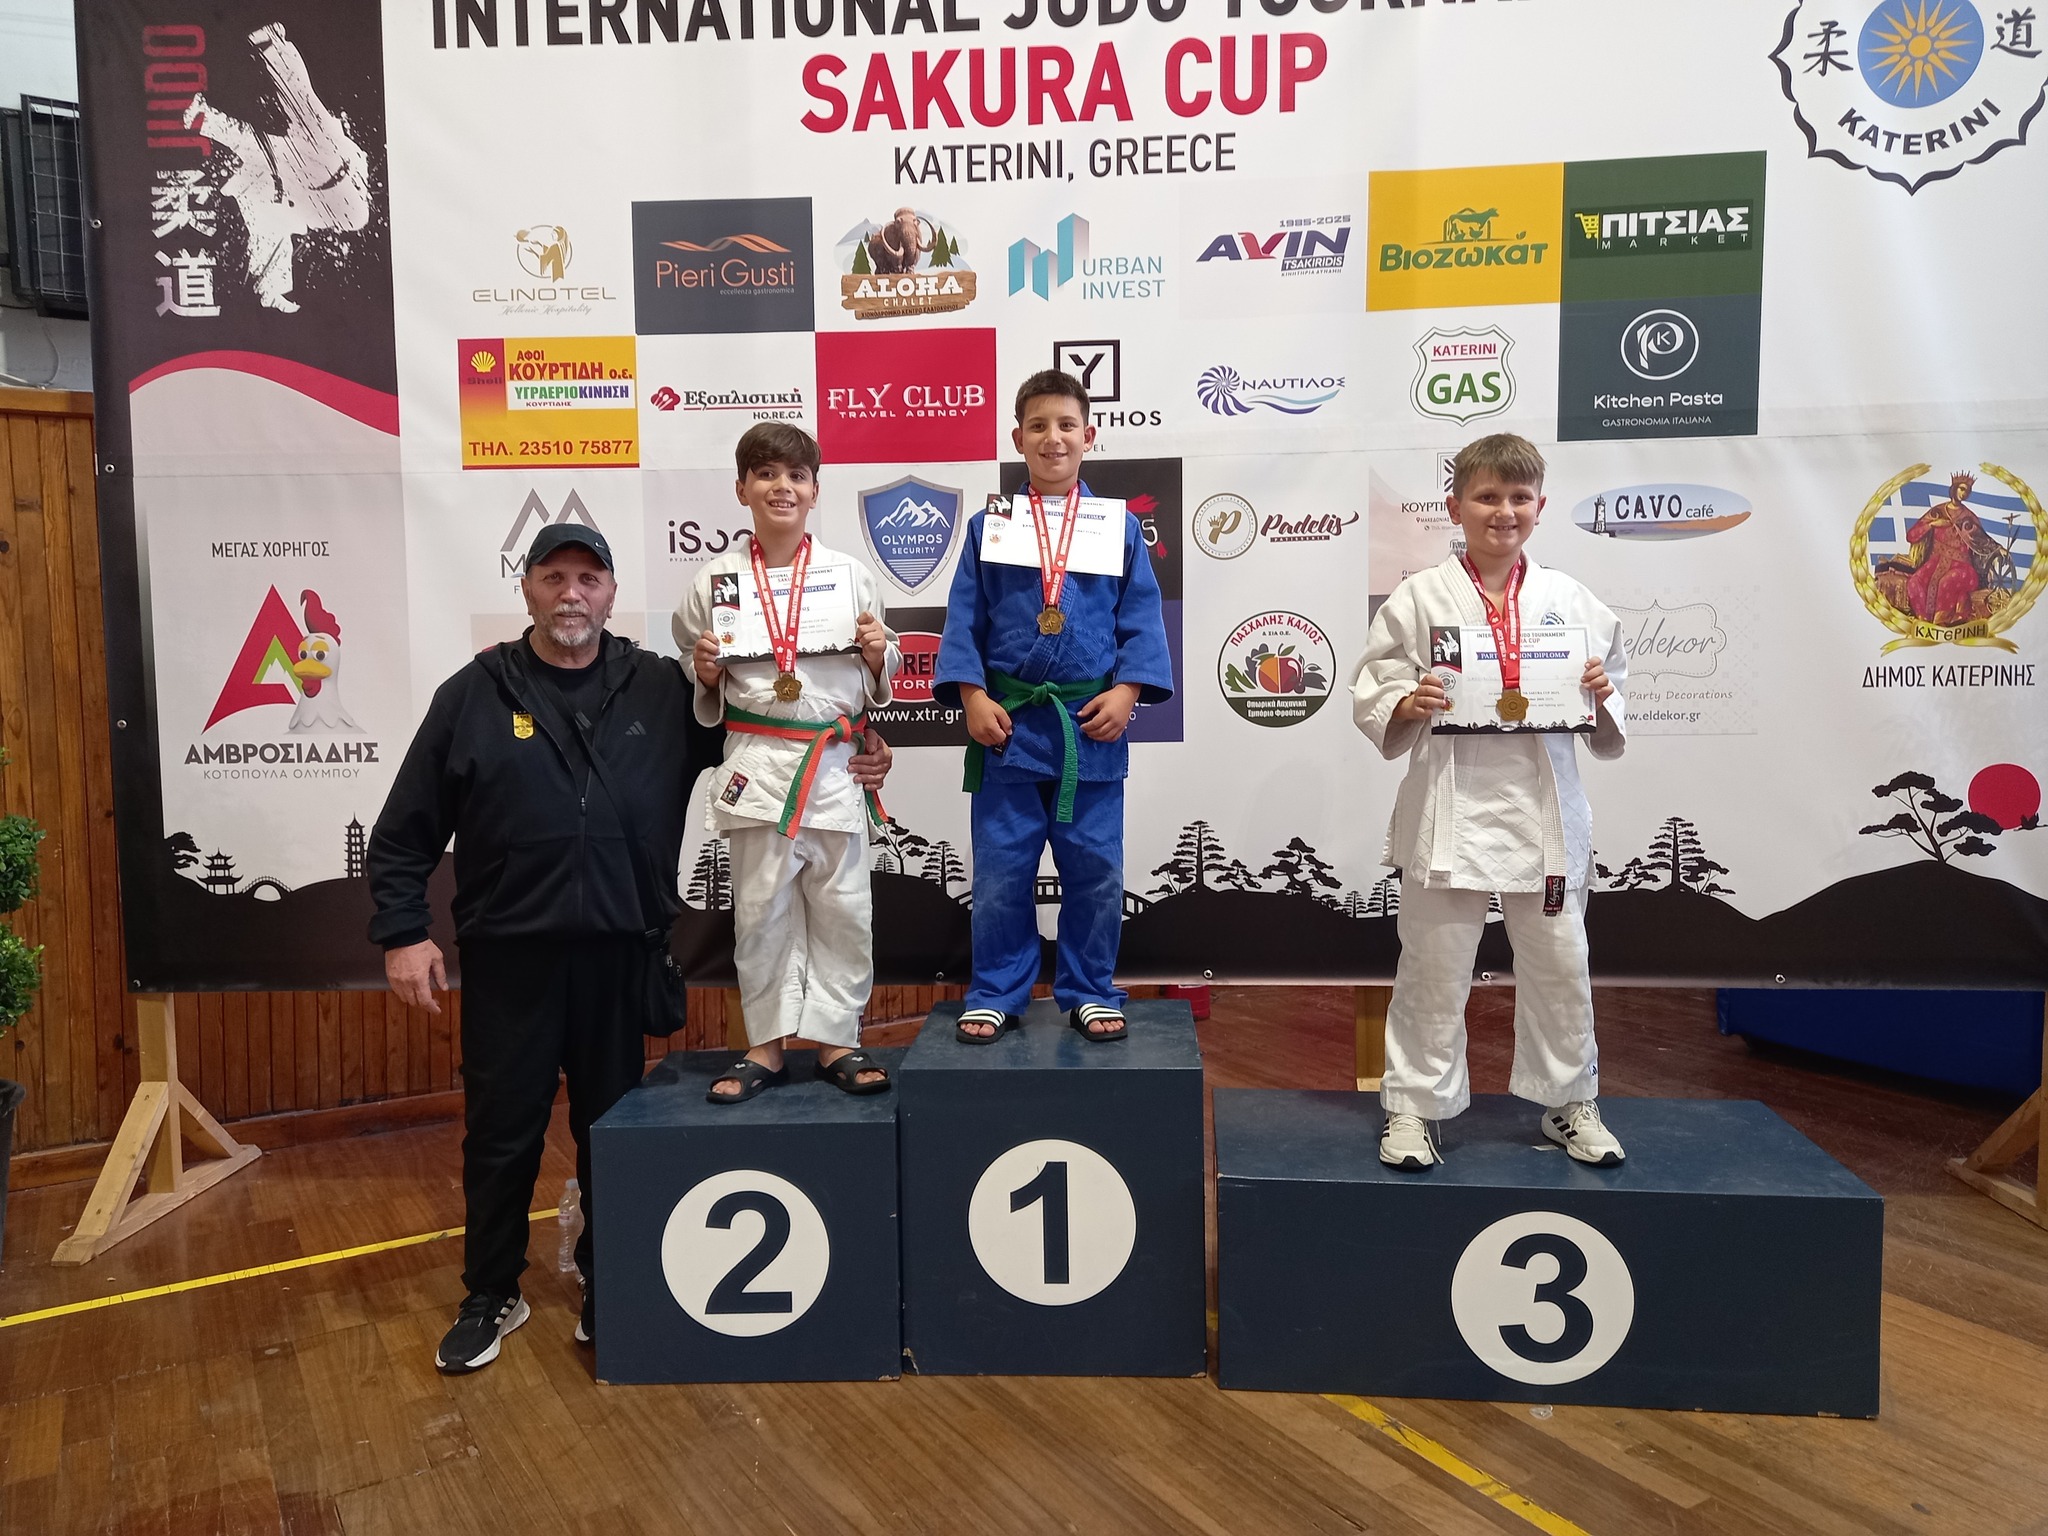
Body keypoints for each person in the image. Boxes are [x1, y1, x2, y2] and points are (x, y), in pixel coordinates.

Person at [367, 520, 893, 1372]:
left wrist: (858, 744)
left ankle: (610, 1283)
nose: (571, 594)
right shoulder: (473, 694)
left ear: (612, 594)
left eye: (588, 579)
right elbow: (404, 829)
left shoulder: (658, 687)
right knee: (501, 1134)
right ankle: (490, 1291)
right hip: (510, 956)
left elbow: (767, 735)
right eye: (553, 578)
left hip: (621, 954)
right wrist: (401, 931)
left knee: (611, 1131)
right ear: (527, 588)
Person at [1350, 434, 1629, 1170]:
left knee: (1562, 963)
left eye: (1518, 498)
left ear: (1540, 506)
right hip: (1451, 808)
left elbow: (1610, 695)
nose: (1503, 511)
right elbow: (1375, 686)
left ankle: (1570, 1102)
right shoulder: (1419, 596)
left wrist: (1601, 695)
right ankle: (1413, 1107)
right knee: (1433, 966)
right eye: (1486, 497)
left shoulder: (1571, 601)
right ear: (1455, 507)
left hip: (1544, 812)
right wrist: (1408, 699)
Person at [933, 370, 1174, 1044]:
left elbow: (1141, 617)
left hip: (1087, 730)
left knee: (1096, 872)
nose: (1053, 438)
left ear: (1089, 436)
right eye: (1038, 426)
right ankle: (996, 990)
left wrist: (1128, 691)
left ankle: (1090, 990)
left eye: (1067, 425)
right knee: (1001, 873)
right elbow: (964, 618)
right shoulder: (991, 526)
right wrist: (972, 695)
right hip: (1008, 728)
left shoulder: (1118, 527)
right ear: (1018, 438)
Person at [676, 424, 902, 1103]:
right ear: (741, 488)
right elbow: (695, 669)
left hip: (833, 765)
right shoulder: (713, 582)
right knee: (759, 911)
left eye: (797, 476)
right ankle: (766, 1045)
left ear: (815, 491)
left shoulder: (849, 575)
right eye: (767, 474)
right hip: (757, 763)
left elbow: (880, 668)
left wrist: (876, 654)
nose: (783, 487)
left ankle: (837, 1039)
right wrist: (704, 672)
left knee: (845, 909)